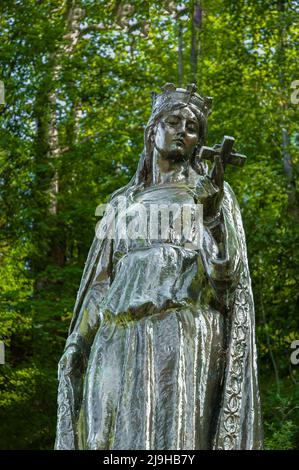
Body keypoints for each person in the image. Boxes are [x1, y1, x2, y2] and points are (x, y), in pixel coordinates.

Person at [55, 83, 263, 450]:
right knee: (105, 438)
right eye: (173, 121)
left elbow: (227, 281)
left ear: (199, 141)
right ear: (153, 130)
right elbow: (100, 283)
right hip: (116, 336)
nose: (183, 130)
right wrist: (78, 340)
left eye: (192, 126)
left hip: (179, 333)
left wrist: (212, 218)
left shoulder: (210, 193)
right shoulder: (122, 202)